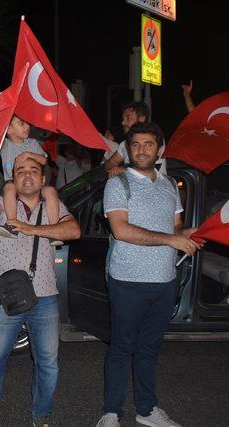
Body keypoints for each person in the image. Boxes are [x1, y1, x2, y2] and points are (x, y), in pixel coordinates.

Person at [96, 122, 202, 427]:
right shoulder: (118, 184)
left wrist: (188, 232)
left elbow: (177, 226)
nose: (142, 149)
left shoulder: (169, 185)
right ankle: (111, 412)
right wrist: (171, 239)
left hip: (165, 281)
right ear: (129, 149)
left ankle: (147, 409)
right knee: (121, 348)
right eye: (136, 144)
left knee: (149, 348)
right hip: (128, 280)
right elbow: (121, 230)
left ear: (160, 149)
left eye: (148, 144)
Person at [0, 157, 81, 426]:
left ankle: (41, 412)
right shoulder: (4, 203)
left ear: (43, 179)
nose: (28, 176)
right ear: (14, 178)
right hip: (5, 294)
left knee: (48, 361)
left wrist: (32, 229)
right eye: (21, 172)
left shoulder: (53, 206)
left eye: (34, 171)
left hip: (45, 295)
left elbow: (73, 230)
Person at [0, 116, 60, 242]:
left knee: (51, 191)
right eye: (21, 123)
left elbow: (43, 160)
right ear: (8, 129)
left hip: (33, 184)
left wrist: (29, 154)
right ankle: (12, 225)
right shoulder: (5, 144)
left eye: (27, 123)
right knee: (9, 187)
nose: (27, 127)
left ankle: (54, 230)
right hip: (14, 183)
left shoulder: (32, 143)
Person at [103, 102, 167, 177]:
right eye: (135, 145)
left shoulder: (154, 139)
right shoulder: (124, 144)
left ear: (141, 118)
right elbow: (110, 164)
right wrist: (114, 171)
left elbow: (148, 168)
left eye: (128, 118)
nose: (123, 122)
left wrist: (125, 170)